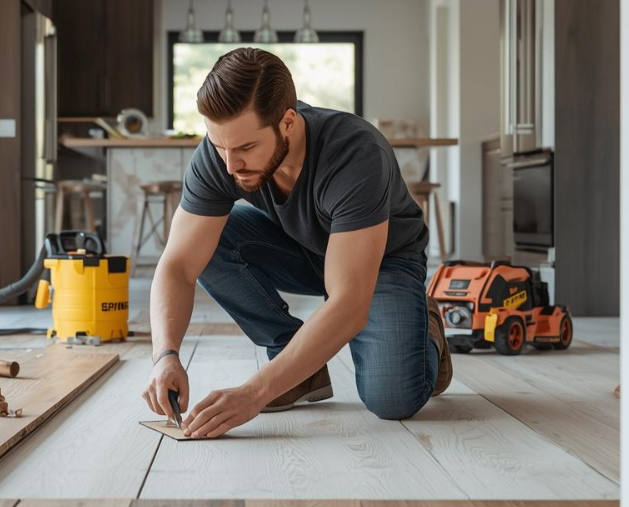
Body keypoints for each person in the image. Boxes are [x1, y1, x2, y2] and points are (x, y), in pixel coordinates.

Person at [141, 48, 451, 439]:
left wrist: (253, 394)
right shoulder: (222, 153)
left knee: (392, 401)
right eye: (220, 147)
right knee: (212, 240)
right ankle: (296, 369)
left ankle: (427, 328)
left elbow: (349, 305)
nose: (229, 166)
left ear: (288, 122)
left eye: (245, 149)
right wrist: (164, 355)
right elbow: (178, 266)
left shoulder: (355, 153)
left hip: (382, 263)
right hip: (304, 249)